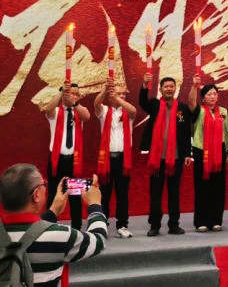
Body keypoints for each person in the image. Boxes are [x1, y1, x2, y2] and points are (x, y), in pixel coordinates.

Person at [0, 164, 107, 287]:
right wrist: (94, 205)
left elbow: (27, 232)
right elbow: (99, 240)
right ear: (36, 194)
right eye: (43, 184)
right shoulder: (60, 236)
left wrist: (53, 211)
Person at [139, 73, 193, 236]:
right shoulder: (154, 105)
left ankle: (174, 224)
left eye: (171, 86)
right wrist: (144, 85)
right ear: (161, 89)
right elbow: (142, 102)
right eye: (166, 86)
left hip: (176, 159)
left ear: (175, 89)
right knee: (155, 193)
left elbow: (186, 133)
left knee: (174, 192)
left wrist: (187, 153)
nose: (169, 89)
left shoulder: (182, 108)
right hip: (157, 159)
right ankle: (155, 225)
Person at [43, 81, 91, 231]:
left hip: (74, 161)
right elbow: (48, 109)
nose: (73, 96)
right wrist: (61, 92)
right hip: (56, 160)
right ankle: (49, 226)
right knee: (53, 193)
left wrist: (74, 103)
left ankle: (77, 227)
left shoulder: (79, 111)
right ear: (63, 95)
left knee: (75, 195)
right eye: (70, 93)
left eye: (76, 94)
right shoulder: (56, 111)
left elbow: (87, 117)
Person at [188, 75, 228, 232]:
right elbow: (191, 102)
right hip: (202, 152)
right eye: (209, 94)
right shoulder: (198, 111)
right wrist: (194, 86)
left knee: (218, 188)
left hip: (220, 152)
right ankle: (201, 221)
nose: (212, 96)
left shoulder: (224, 112)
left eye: (215, 94)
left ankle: (215, 220)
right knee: (202, 188)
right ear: (203, 97)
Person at [93, 79, 136, 238]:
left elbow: (133, 110)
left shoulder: (128, 113)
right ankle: (102, 224)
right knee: (104, 194)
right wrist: (105, 91)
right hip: (107, 160)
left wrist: (117, 97)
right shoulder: (104, 111)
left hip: (123, 160)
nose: (122, 96)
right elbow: (96, 103)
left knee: (122, 194)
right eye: (119, 93)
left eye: (124, 94)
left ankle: (122, 225)